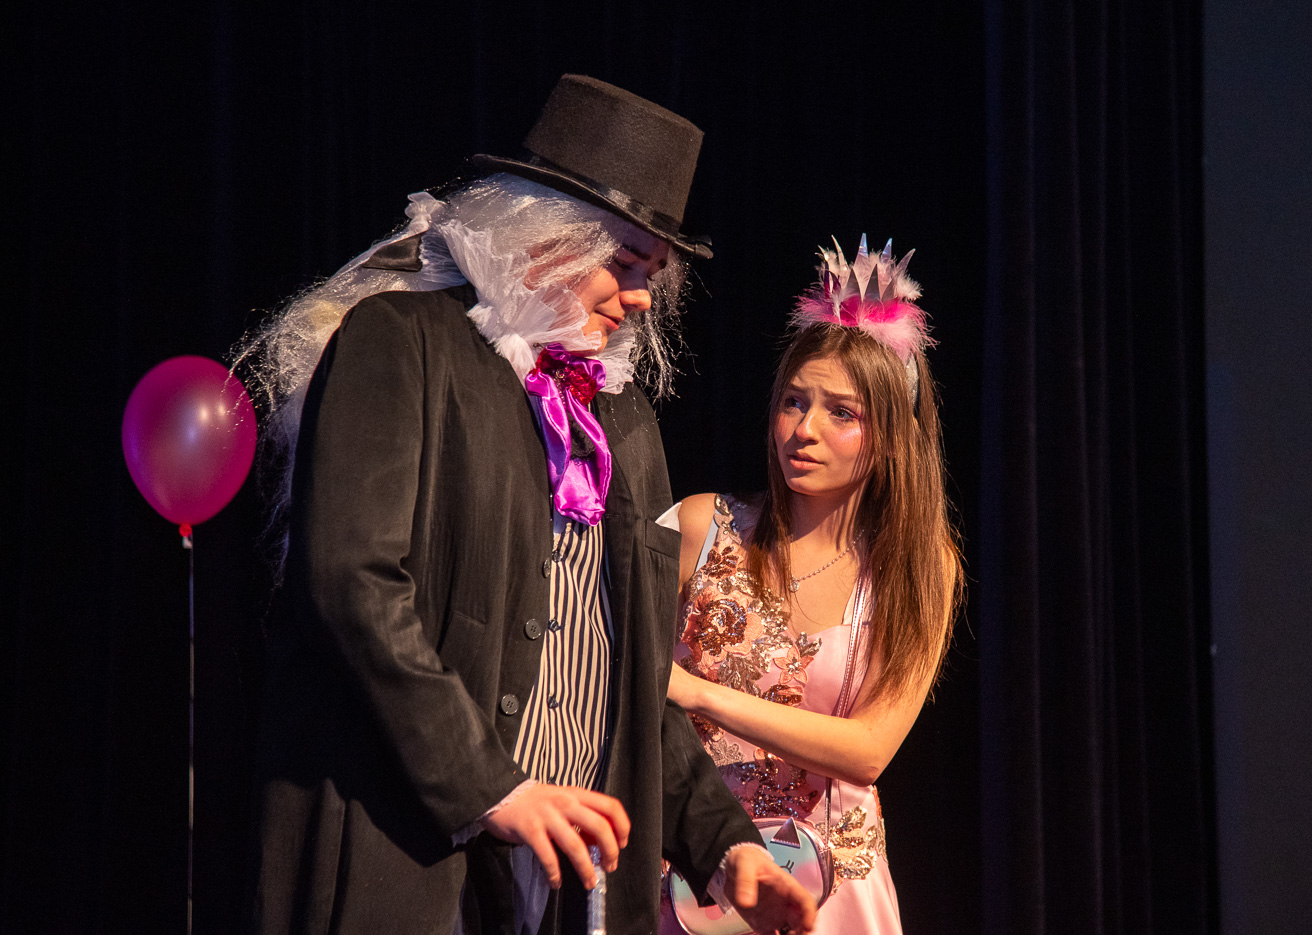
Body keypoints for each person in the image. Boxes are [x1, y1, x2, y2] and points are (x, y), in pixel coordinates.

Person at [240, 75, 815, 935]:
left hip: (564, 889)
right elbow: (351, 582)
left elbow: (631, 674)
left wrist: (724, 843)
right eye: (625, 263)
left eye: (652, 275)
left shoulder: (623, 419)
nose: (641, 298)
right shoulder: (401, 343)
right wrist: (492, 786)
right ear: (544, 240)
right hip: (408, 858)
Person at [662, 236, 963, 934]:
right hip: (694, 880)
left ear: (891, 436)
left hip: (834, 895)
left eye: (841, 413)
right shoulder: (701, 526)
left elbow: (868, 749)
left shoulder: (915, 566)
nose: (804, 430)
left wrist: (695, 691)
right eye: (794, 402)